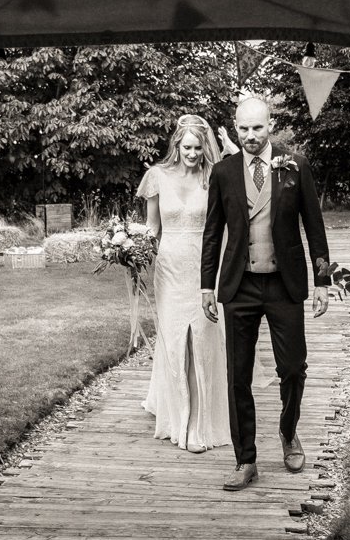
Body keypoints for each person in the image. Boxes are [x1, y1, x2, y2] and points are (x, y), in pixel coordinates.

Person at [200, 95, 332, 491]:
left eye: (257, 128)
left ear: (270, 125)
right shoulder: (223, 172)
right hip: (239, 285)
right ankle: (245, 458)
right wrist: (207, 284)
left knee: (292, 368)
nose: (250, 136)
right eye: (243, 128)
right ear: (235, 127)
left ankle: (288, 431)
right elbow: (213, 233)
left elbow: (314, 223)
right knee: (237, 375)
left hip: (283, 282)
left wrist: (322, 280)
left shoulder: (295, 165)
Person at [138, 114, 232, 452]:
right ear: (177, 145)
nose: (192, 153)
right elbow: (151, 229)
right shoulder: (157, 177)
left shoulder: (213, 177)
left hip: (204, 268)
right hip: (169, 268)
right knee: (175, 339)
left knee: (202, 340)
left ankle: (197, 422)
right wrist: (131, 255)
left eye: (198, 147)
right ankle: (179, 414)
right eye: (187, 147)